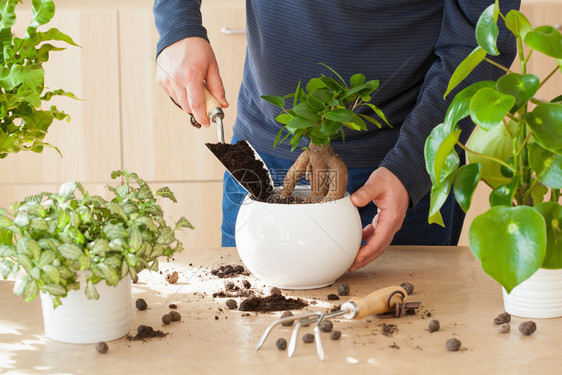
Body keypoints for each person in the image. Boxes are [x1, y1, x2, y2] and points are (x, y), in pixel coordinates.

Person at [153, 0, 520, 272]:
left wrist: (410, 170)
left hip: (403, 172)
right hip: (263, 155)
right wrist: (177, 25)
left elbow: (479, 45)